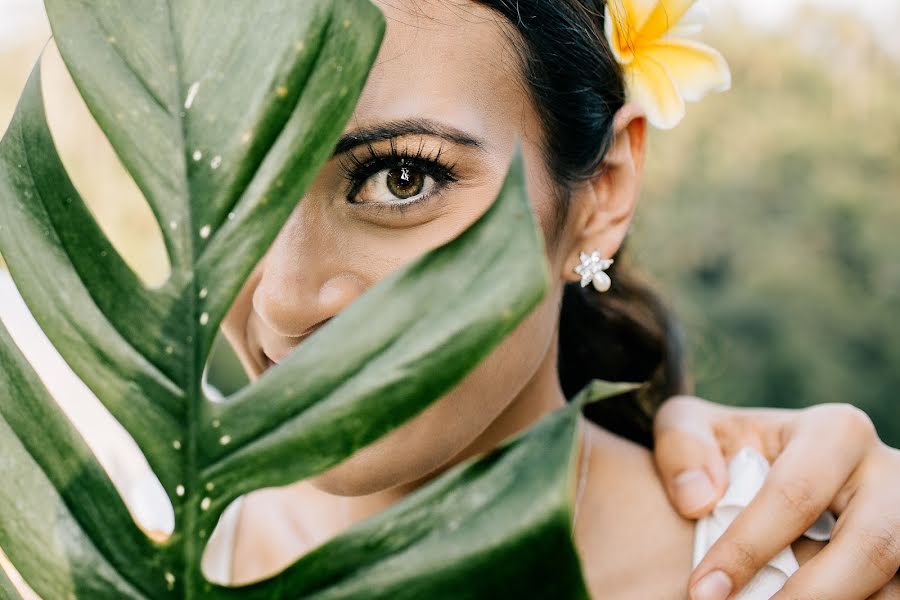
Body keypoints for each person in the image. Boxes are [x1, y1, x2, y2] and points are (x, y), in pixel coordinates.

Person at [199, 0, 900, 598]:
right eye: (238, 189)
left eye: (401, 177)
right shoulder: (133, 538)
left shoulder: (816, 575)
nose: (282, 303)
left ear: (603, 193)